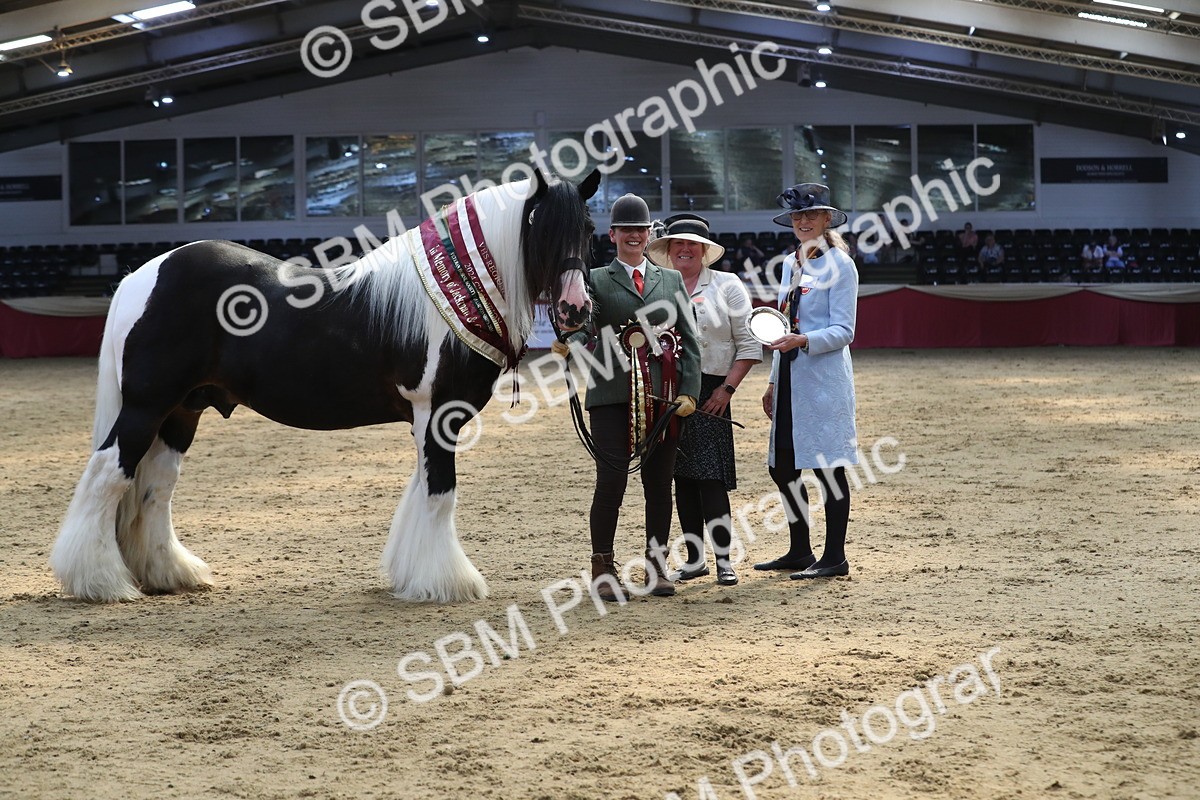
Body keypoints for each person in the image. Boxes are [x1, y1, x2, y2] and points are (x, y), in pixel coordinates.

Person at [554, 194, 700, 601]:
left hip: (664, 397)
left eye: (641, 229)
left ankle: (657, 566)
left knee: (659, 485)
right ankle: (603, 569)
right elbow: (585, 329)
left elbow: (690, 342)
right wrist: (572, 341)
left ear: (648, 233)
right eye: (626, 230)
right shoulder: (596, 279)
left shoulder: (670, 281)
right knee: (611, 483)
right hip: (612, 394)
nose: (634, 236)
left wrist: (689, 391)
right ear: (613, 234)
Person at [646, 214, 761, 587]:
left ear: (703, 251)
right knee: (680, 479)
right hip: (667, 391)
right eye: (676, 244)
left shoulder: (727, 285)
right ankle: (695, 560)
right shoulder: (658, 285)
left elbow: (748, 343)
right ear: (667, 249)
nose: (683, 249)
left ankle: (725, 559)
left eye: (690, 244)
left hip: (713, 390)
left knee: (710, 480)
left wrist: (726, 390)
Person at [755, 183, 859, 579]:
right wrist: (770, 379)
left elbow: (845, 330)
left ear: (826, 219)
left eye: (810, 215)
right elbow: (784, 322)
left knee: (829, 467)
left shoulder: (841, 265)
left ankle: (835, 556)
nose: (802, 221)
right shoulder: (791, 263)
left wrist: (805, 340)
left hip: (823, 378)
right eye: (797, 216)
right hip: (788, 376)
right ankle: (799, 549)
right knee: (782, 467)